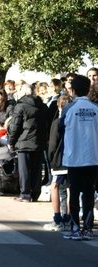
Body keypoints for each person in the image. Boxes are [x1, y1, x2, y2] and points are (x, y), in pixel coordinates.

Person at [60, 75, 98, 240]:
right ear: (88, 89)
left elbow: (60, 128)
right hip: (93, 157)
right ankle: (88, 229)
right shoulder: (96, 108)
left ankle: (75, 227)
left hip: (74, 157)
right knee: (89, 192)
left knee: (74, 192)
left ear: (73, 90)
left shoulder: (69, 108)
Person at [7, 83, 50, 202]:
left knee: (24, 169)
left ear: (25, 92)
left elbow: (15, 126)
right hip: (39, 142)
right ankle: (35, 194)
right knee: (36, 169)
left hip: (24, 142)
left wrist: (11, 141)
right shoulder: (43, 106)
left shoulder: (20, 106)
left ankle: (25, 194)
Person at [44, 95, 72, 232]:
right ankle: (68, 217)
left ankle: (57, 218)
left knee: (54, 186)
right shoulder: (73, 121)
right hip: (72, 159)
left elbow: (53, 144)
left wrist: (51, 160)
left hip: (59, 159)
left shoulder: (57, 122)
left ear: (59, 106)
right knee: (70, 188)